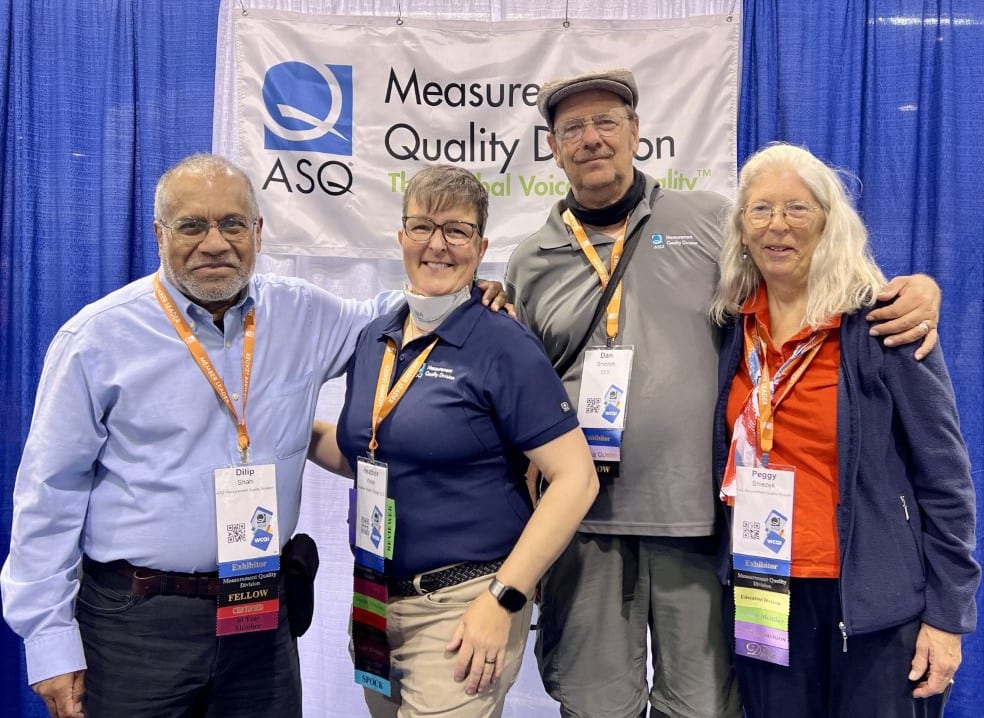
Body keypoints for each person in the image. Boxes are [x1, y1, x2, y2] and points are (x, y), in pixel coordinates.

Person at [0, 153, 507, 718]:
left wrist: (468, 291)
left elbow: (393, 313)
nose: (215, 242)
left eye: (233, 224)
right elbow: (48, 497)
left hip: (260, 617)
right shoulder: (96, 339)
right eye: (192, 225)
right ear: (159, 234)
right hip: (136, 627)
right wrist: (48, 642)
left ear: (259, 231)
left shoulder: (301, 313)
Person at [504, 68, 943, 718]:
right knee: (594, 705)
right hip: (582, 529)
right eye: (573, 128)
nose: (591, 139)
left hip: (700, 525)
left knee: (704, 707)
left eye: (606, 123)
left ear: (636, 132)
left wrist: (915, 290)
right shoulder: (530, 258)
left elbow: (806, 277)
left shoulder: (710, 220)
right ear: (553, 147)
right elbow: (520, 388)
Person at [307, 164, 598, 718]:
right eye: (422, 227)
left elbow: (575, 480)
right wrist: (282, 429)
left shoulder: (502, 344)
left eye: (457, 230)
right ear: (400, 238)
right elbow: (362, 455)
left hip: (464, 606)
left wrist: (504, 597)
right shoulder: (376, 337)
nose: (437, 245)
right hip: (373, 599)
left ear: (481, 246)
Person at [709, 142, 978, 717]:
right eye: (760, 210)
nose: (776, 226)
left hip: (873, 604)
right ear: (741, 228)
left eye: (796, 209)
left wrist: (948, 618)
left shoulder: (885, 324)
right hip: (764, 589)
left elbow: (946, 482)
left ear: (829, 223)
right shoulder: (732, 326)